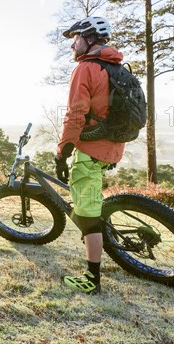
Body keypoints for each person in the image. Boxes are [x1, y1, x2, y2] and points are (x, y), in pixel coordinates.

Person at [55, 16, 125, 295]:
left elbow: (75, 115)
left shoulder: (86, 68)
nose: (73, 43)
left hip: (90, 148)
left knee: (86, 214)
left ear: (89, 38)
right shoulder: (116, 66)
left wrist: (62, 152)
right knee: (92, 201)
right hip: (113, 146)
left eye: (76, 37)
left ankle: (92, 279)